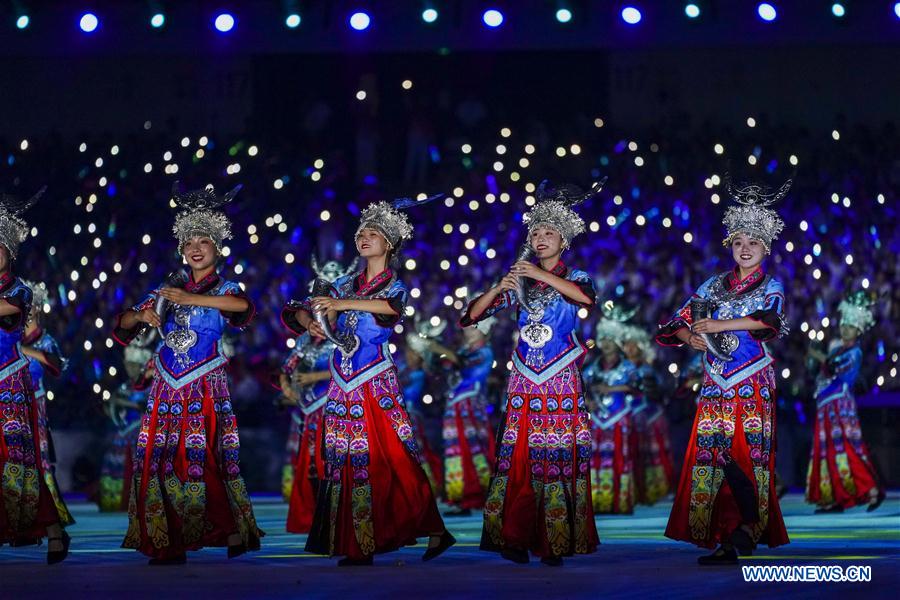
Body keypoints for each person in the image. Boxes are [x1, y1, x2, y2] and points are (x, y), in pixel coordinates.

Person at [281, 196, 454, 566]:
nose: (363, 236)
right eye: (361, 231)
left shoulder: (393, 285)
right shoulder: (343, 282)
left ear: (388, 243)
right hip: (342, 384)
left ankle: (434, 529)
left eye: (372, 232)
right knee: (346, 460)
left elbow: (391, 309)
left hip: (376, 382)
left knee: (394, 458)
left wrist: (341, 306)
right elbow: (298, 307)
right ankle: (359, 541)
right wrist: (309, 321)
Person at [112, 183, 262, 564]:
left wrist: (191, 299)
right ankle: (166, 539)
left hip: (203, 385)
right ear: (181, 249)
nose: (196, 248)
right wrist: (142, 315)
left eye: (204, 242)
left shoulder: (224, 287)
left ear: (217, 248)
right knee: (159, 459)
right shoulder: (169, 289)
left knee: (201, 456)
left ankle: (227, 528)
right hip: (166, 384)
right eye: (189, 242)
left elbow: (242, 306)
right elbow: (124, 323)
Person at [463, 180, 603, 566]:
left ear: (564, 241)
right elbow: (470, 317)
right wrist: (500, 287)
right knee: (518, 457)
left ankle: (553, 538)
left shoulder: (575, 277)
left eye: (549, 233)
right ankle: (515, 534)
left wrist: (537, 276)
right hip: (525, 379)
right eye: (536, 232)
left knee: (555, 455)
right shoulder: (522, 280)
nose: (541, 238)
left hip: (559, 377)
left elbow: (586, 299)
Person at [655, 176, 791, 565]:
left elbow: (769, 322)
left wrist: (717, 326)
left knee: (746, 455)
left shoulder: (771, 284)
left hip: (751, 382)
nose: (744, 249)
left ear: (766, 247)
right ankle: (727, 535)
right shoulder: (713, 285)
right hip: (715, 383)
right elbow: (673, 323)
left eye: (753, 243)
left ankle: (747, 526)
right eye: (738, 242)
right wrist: (690, 336)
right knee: (716, 458)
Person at [0, 187, 72, 564]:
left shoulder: (20, 291)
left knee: (22, 464)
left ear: (10, 253)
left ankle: (53, 530)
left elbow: (8, 311)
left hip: (10, 385)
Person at [279, 257, 351, 532]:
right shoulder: (305, 338)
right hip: (308, 411)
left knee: (332, 463)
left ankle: (336, 516)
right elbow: (287, 367)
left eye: (327, 307)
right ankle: (312, 517)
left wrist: (315, 377)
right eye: (316, 306)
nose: (322, 313)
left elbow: (349, 369)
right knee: (310, 466)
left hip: (333, 407)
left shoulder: (344, 334)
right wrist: (287, 385)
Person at [805, 291, 885, 513]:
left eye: (850, 326)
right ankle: (836, 497)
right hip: (825, 406)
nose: (844, 329)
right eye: (843, 324)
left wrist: (818, 355)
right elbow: (820, 373)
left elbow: (837, 369)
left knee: (846, 448)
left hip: (840, 407)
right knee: (829, 450)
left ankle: (872, 490)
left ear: (858, 330)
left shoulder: (854, 352)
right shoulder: (837, 347)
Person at [428, 316, 496, 516]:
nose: (468, 332)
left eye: (473, 329)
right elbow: (440, 368)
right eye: (467, 329)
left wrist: (442, 351)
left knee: (475, 450)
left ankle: (481, 495)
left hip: (470, 405)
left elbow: (464, 365)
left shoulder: (484, 352)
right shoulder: (464, 351)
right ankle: (461, 497)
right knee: (456, 453)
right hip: (455, 405)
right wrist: (433, 353)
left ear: (484, 331)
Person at [584, 303, 637, 515]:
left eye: (610, 340)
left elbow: (637, 385)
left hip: (619, 416)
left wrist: (611, 388)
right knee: (595, 458)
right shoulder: (592, 367)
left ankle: (619, 502)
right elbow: (581, 386)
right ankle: (598, 501)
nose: (606, 344)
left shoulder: (627, 367)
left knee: (619, 457)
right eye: (603, 339)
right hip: (597, 417)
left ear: (617, 343)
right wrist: (588, 401)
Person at [98, 335, 156, 512]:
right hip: (123, 434)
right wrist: (112, 407)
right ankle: (115, 501)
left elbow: (146, 406)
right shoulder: (125, 386)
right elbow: (113, 407)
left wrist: (128, 404)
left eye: (132, 365)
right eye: (127, 365)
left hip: (141, 433)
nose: (128, 368)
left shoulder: (150, 385)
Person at [622, 324, 674, 506]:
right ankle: (633, 491)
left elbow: (662, 390)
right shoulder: (620, 367)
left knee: (654, 454)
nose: (629, 348)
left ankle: (657, 491)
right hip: (627, 416)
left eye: (633, 344)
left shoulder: (650, 368)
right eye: (626, 344)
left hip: (651, 416)